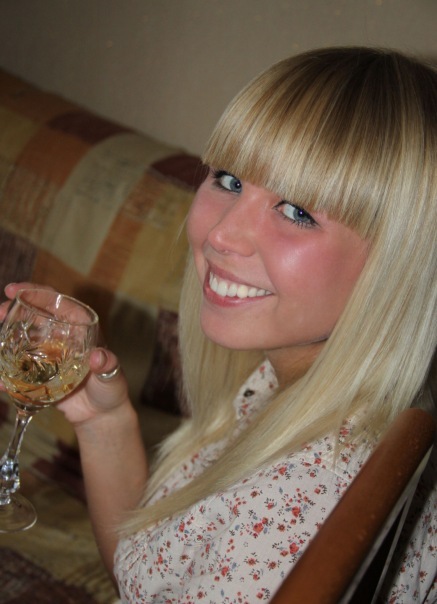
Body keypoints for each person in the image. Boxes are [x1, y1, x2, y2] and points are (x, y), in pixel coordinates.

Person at [2, 46, 436, 602]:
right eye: (229, 180)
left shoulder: (296, 507)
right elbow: (146, 579)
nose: (220, 235)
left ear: (400, 265)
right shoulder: (300, 385)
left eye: (297, 211)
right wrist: (103, 420)